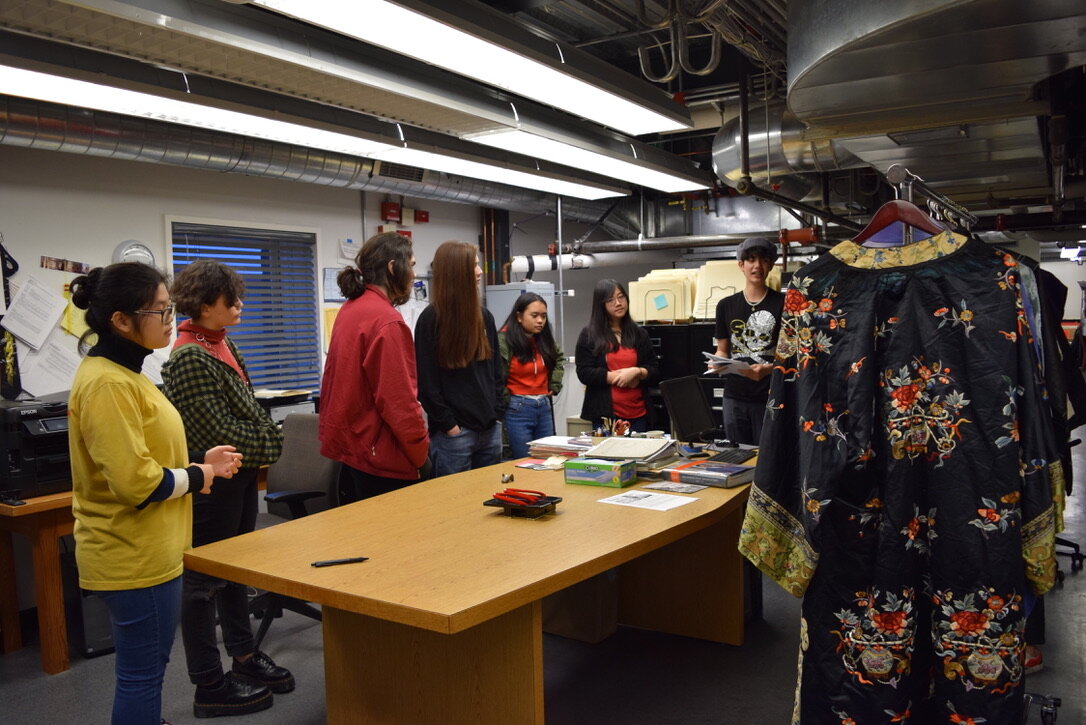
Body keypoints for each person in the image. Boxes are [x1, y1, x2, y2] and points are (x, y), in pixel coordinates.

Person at [67, 263, 242, 725]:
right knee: (142, 676)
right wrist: (199, 474)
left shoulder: (131, 373)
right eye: (160, 311)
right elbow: (136, 483)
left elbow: (146, 452)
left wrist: (202, 460)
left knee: (145, 671)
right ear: (121, 321)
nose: (170, 319)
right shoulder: (107, 383)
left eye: (169, 308)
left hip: (151, 552)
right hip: (133, 559)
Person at [161, 260, 291, 718]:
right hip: (212, 485)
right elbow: (215, 433)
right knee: (203, 584)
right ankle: (208, 682)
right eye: (228, 298)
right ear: (201, 304)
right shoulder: (189, 356)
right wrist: (275, 441)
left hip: (238, 479)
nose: (239, 304)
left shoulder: (221, 343)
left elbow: (250, 416)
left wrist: (264, 438)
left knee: (237, 568)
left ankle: (244, 656)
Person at [319, 232, 429, 500]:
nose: (414, 274)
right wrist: (421, 453)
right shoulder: (387, 321)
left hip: (355, 453)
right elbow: (398, 401)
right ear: (393, 267)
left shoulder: (351, 309)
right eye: (412, 265)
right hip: (384, 460)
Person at [415, 240, 502, 476]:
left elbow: (496, 371)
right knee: (454, 507)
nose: (480, 271)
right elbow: (427, 385)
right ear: (457, 271)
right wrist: (450, 427)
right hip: (454, 437)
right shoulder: (431, 319)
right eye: (474, 265)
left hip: (489, 431)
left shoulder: (484, 316)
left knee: (490, 506)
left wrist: (496, 414)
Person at [710, 236, 785, 445]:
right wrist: (718, 361)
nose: (757, 266)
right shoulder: (725, 305)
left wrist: (768, 369)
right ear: (741, 265)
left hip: (769, 395)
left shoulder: (783, 304)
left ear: (770, 265)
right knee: (738, 455)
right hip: (734, 396)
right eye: (751, 260)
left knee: (768, 457)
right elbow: (723, 349)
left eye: (763, 260)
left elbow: (792, 354)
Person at [575, 278, 659, 434]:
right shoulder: (589, 334)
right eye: (611, 300)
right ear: (601, 305)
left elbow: (654, 369)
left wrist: (637, 372)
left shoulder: (639, 333)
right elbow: (584, 372)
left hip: (638, 413)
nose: (618, 303)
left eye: (621, 297)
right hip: (606, 416)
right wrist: (616, 377)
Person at [498, 292, 564, 458]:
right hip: (517, 408)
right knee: (523, 460)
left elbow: (559, 359)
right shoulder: (504, 340)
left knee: (547, 460)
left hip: (543, 406)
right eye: (534, 316)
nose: (540, 321)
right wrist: (506, 398)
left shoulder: (544, 340)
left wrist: (554, 385)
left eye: (543, 316)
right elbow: (496, 376)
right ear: (519, 317)